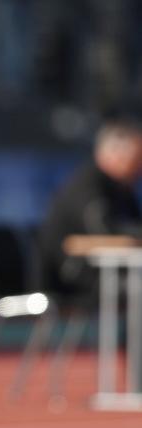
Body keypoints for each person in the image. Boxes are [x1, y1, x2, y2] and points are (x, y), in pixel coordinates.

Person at [38, 117, 142, 309]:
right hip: (70, 275)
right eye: (137, 158)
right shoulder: (88, 184)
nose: (139, 167)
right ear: (115, 155)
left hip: (106, 270)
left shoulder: (124, 188)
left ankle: (130, 338)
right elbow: (104, 229)